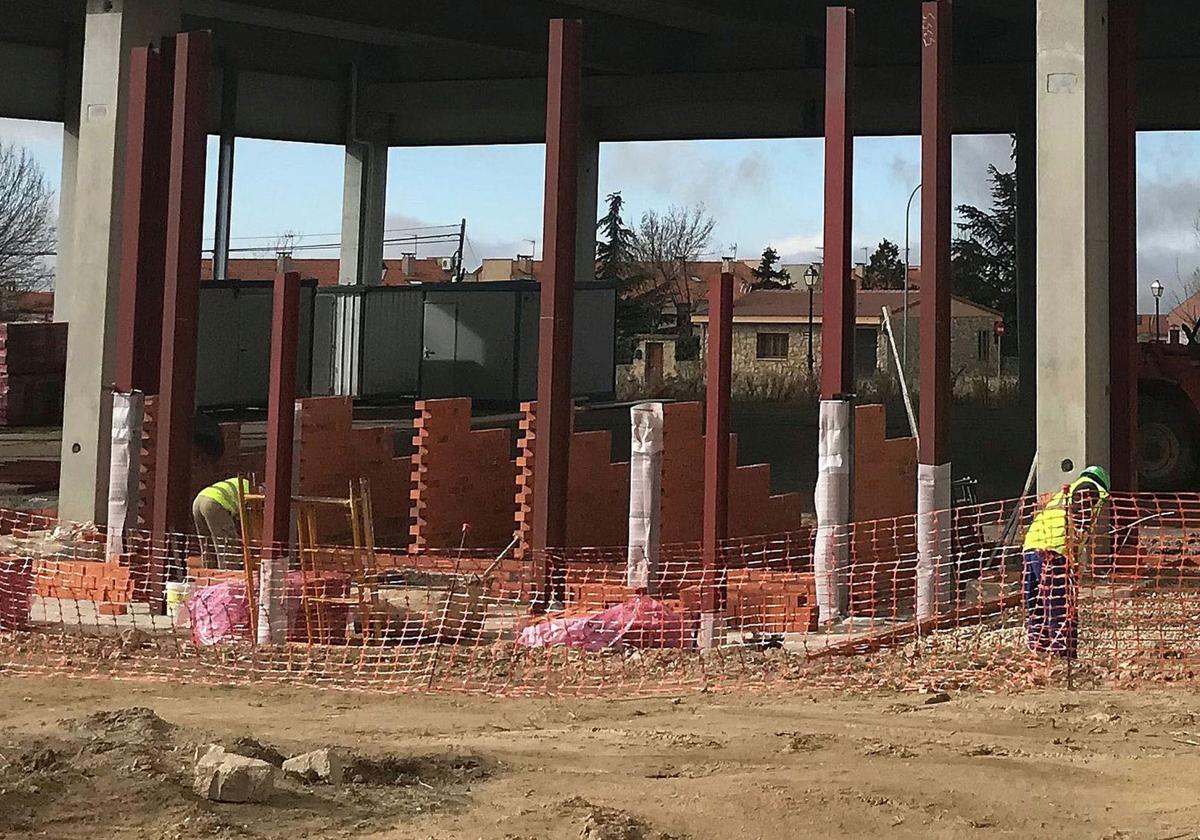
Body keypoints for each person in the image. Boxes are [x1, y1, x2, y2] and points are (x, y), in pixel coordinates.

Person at [1021, 465, 1110, 658]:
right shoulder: (1089, 487)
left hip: (1032, 546)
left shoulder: (1065, 492)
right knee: (1060, 603)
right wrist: (1080, 532)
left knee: (1037, 603)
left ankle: (1039, 648)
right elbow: (1081, 509)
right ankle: (1063, 656)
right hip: (1055, 550)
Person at [191, 415, 250, 569]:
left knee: (207, 544)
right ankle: (230, 575)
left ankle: (207, 573)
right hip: (214, 503)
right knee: (226, 543)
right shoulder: (257, 495)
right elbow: (249, 524)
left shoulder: (241, 483)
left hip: (199, 499)